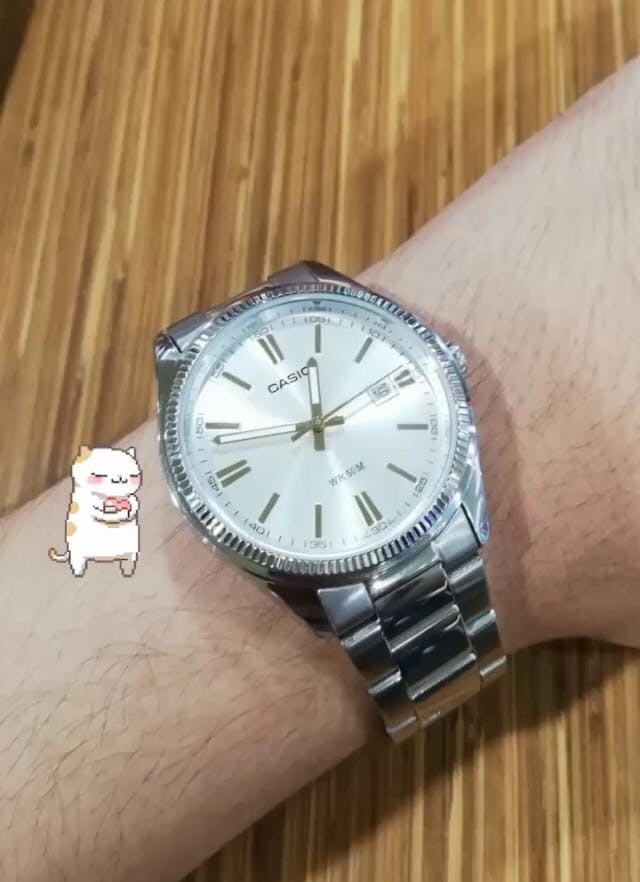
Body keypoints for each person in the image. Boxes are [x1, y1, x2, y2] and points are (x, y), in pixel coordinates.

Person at [1, 57, 639, 882]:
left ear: (442, 361)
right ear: (195, 501)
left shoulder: (408, 371)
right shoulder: (228, 507)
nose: (315, 425)